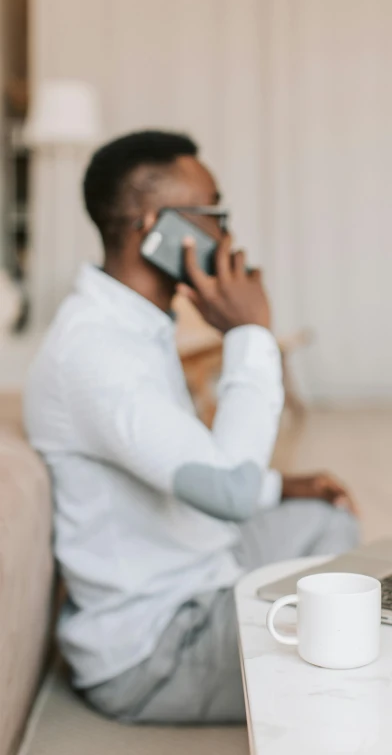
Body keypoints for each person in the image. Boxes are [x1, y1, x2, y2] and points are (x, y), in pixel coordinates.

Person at [24, 130, 359, 724]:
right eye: (214, 215)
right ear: (157, 226)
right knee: (358, 649)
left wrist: (280, 487)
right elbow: (227, 491)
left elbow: (191, 462)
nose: (228, 237)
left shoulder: (132, 327)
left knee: (323, 518)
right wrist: (249, 334)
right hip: (158, 648)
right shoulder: (96, 355)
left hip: (202, 567)